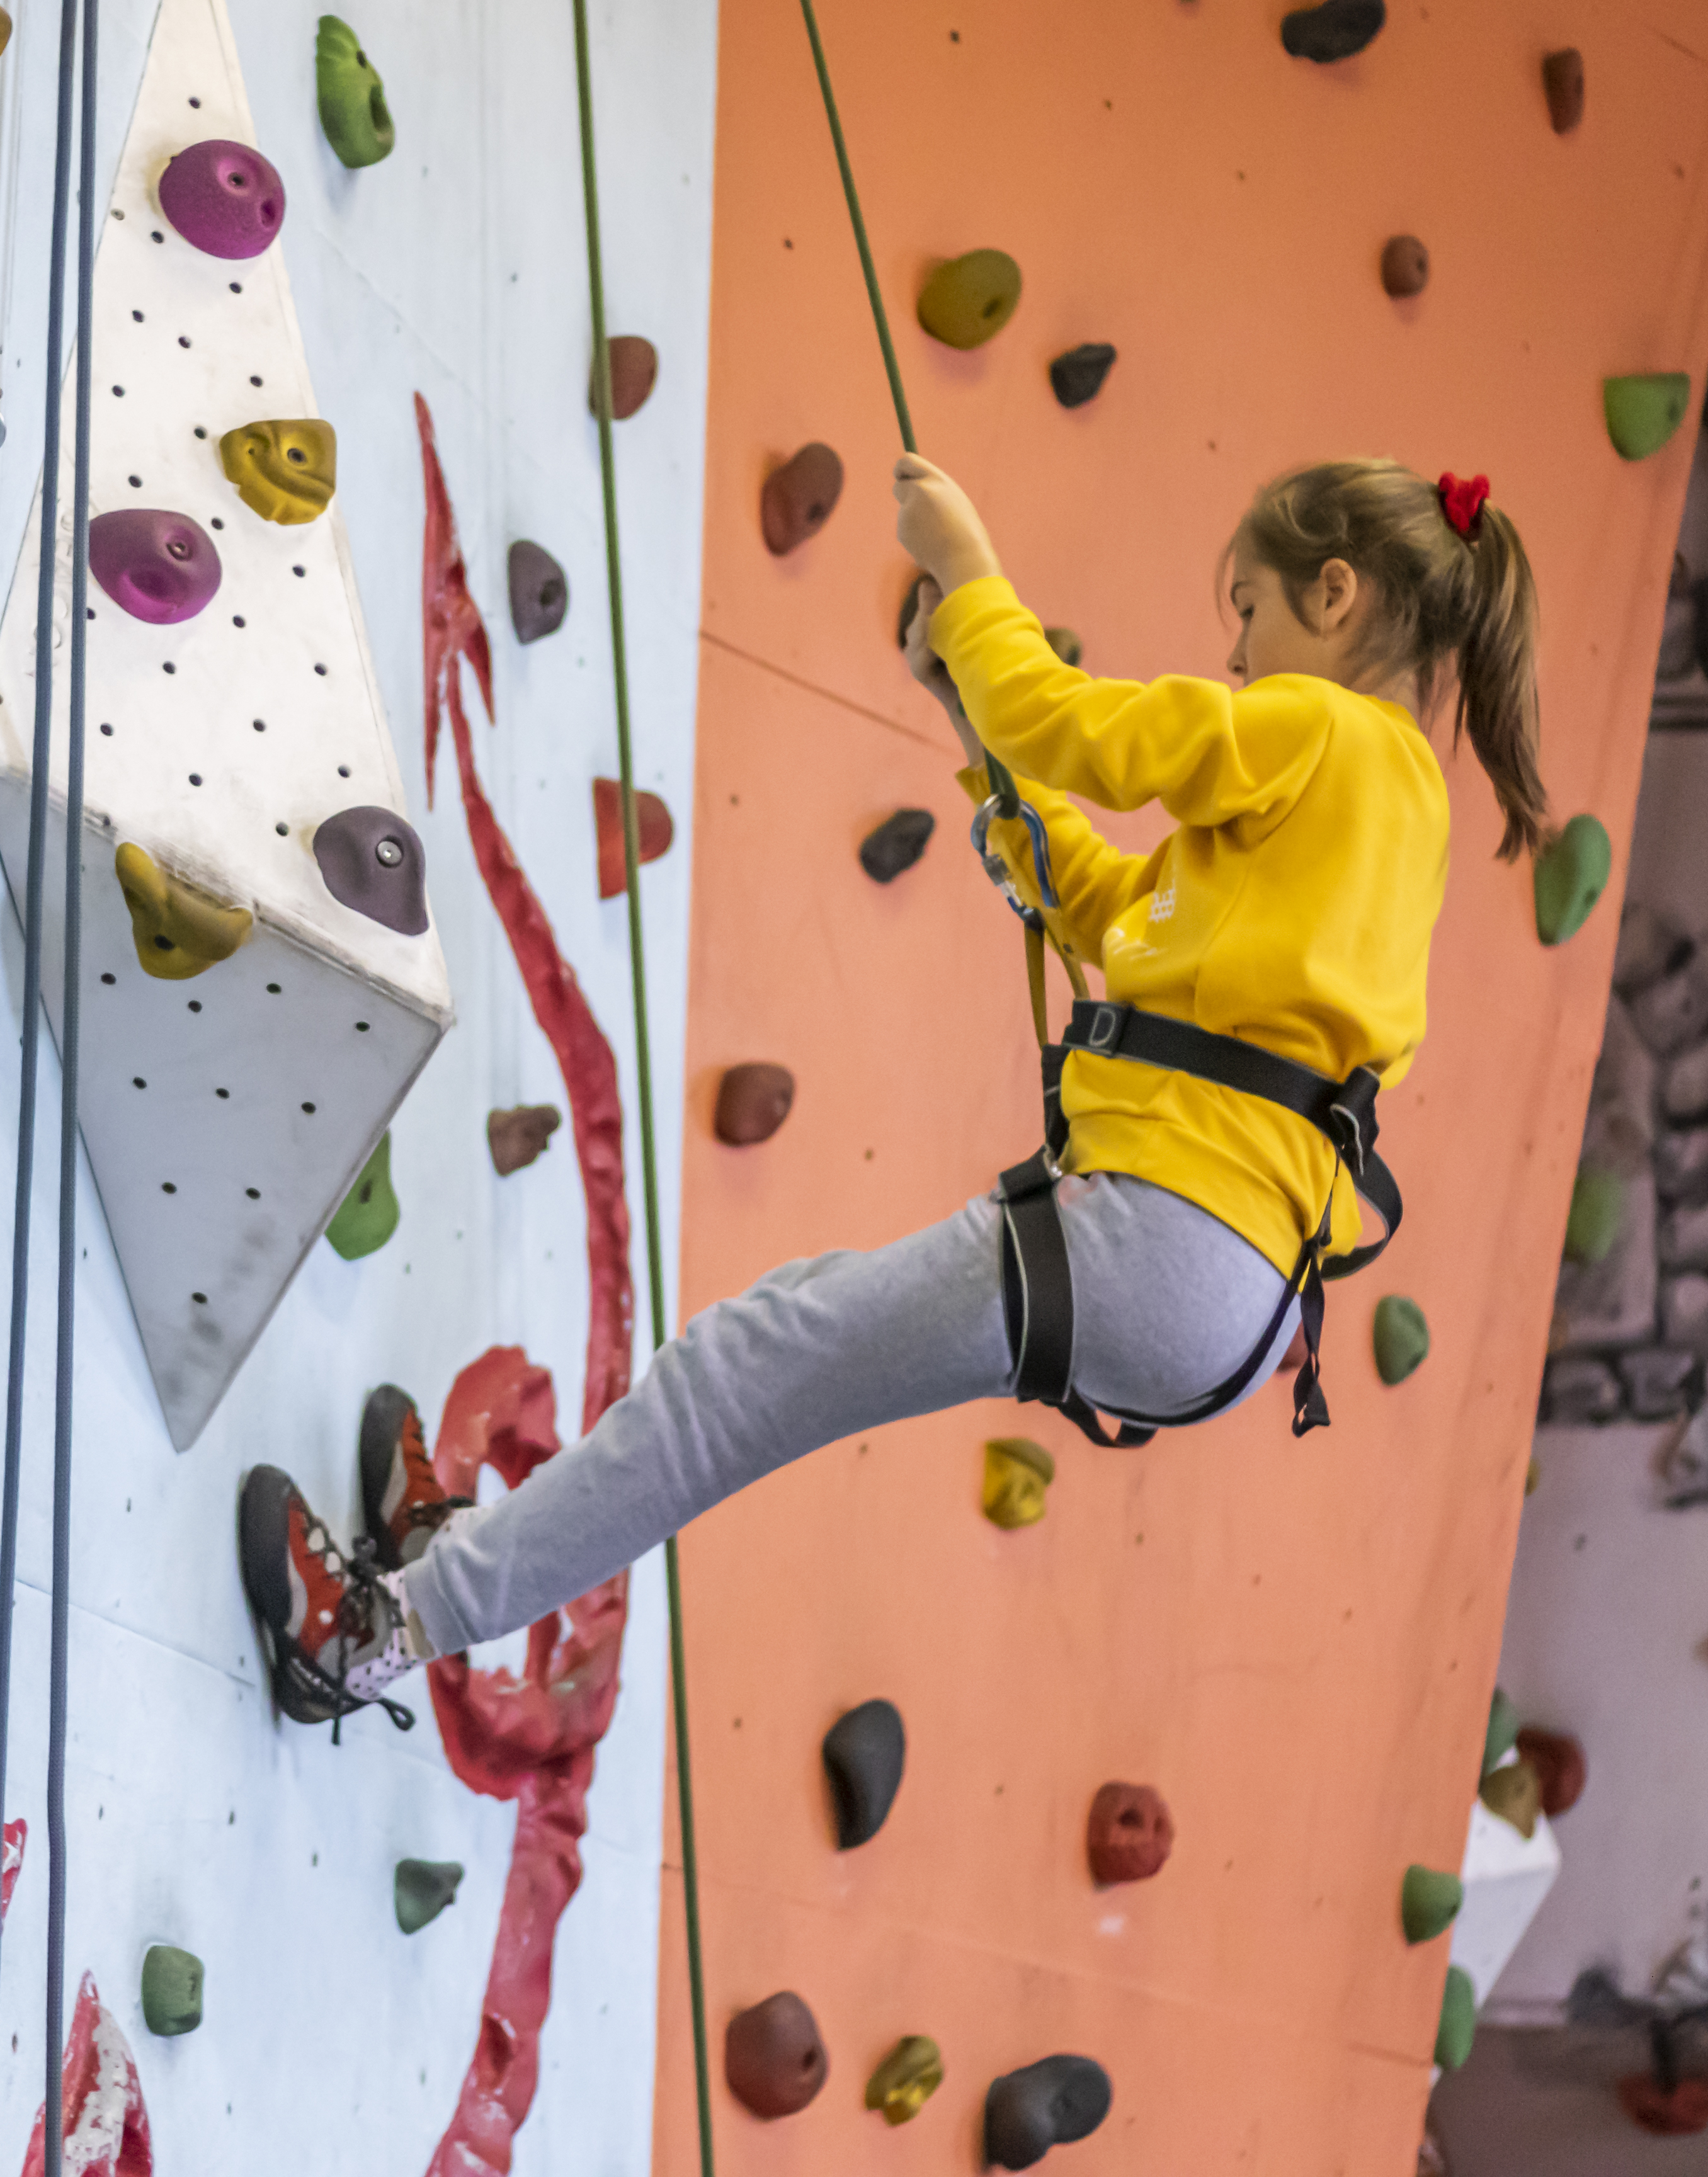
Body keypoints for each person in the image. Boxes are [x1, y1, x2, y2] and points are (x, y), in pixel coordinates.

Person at [237, 452, 1548, 1725]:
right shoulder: (1381, 824)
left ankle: (378, 1634)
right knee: (773, 1335)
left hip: (1169, 1243)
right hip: (1231, 1289)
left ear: (1335, 596)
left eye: (1249, 615)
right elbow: (1106, 906)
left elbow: (1082, 729)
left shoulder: (1327, 735)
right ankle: (456, 1570)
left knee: (738, 1374)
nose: (1238, 659)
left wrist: (976, 580)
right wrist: (969, 724)